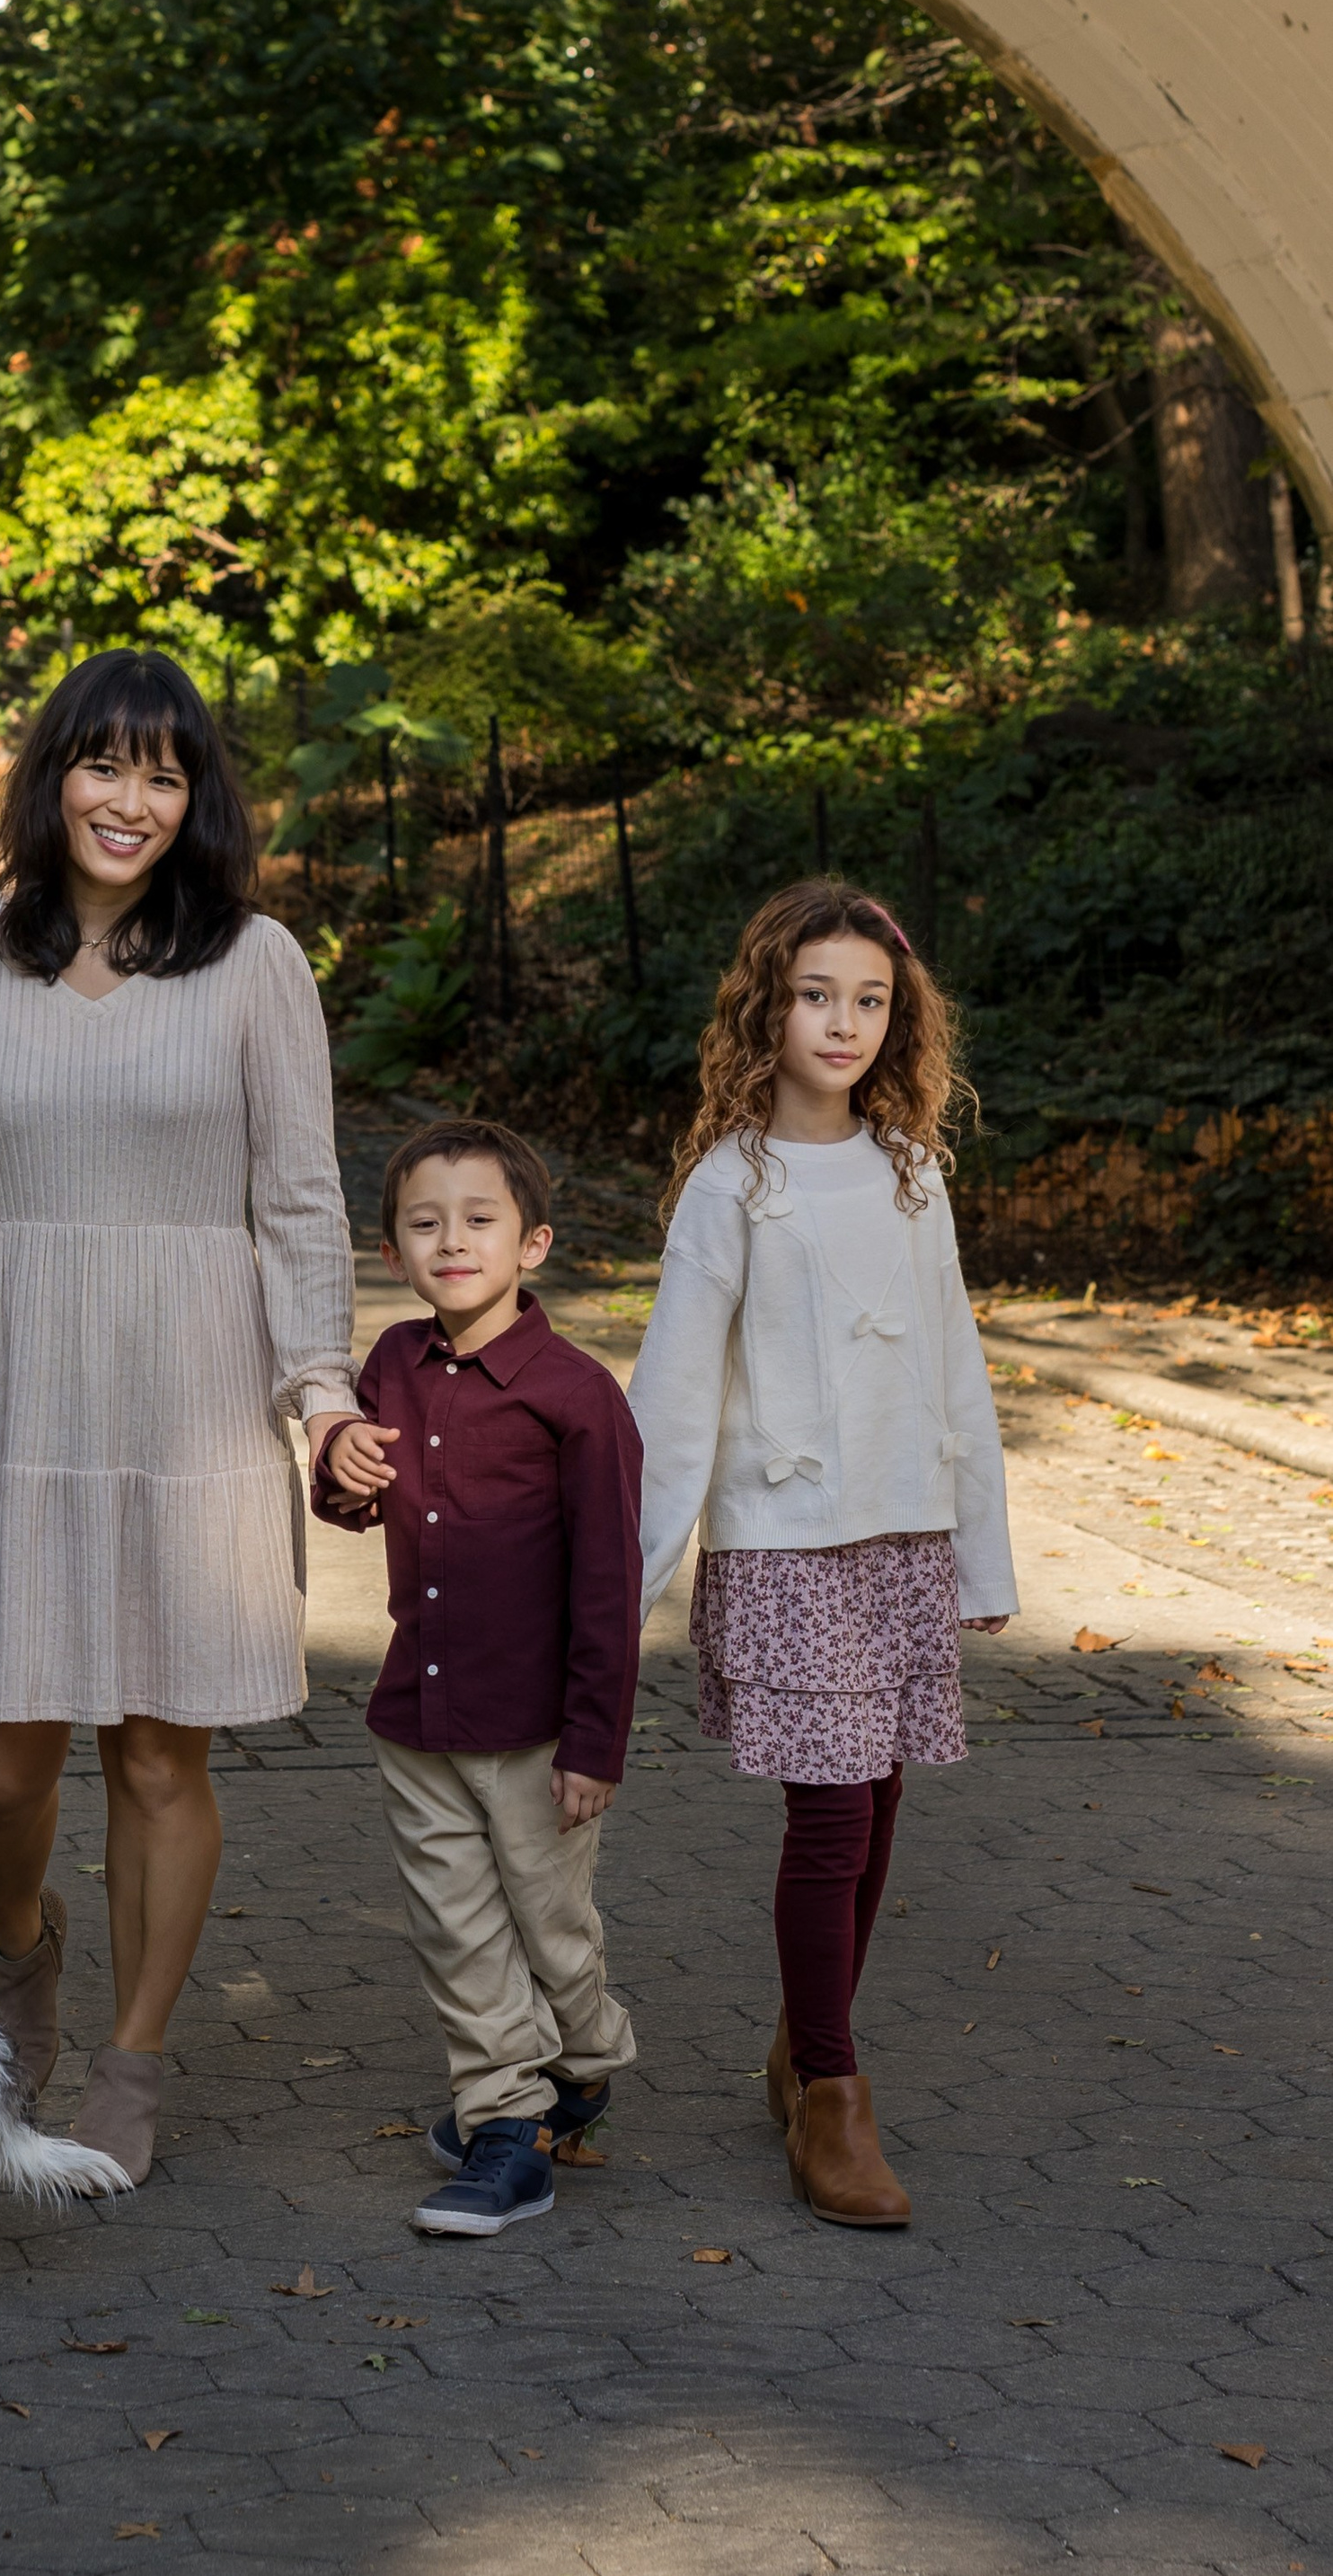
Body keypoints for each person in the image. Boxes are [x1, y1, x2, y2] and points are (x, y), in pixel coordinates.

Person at [0, 648, 355, 2184]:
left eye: (166, 773)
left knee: (159, 1762)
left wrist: (321, 1395)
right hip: (15, 1380)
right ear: (53, 776)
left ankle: (133, 2053)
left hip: (193, 1392)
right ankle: (23, 1945)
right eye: (106, 764)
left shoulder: (257, 963)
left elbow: (301, 1196)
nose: (133, 799)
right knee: (0, 1766)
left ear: (200, 800)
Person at [626, 878, 1016, 2229]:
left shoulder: (915, 1175)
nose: (843, 1024)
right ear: (766, 1008)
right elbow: (674, 1392)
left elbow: (958, 1370)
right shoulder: (733, 1186)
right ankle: (835, 2096)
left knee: (884, 1808)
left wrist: (982, 1556)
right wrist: (620, 1590)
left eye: (870, 1001)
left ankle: (804, 2036)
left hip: (901, 1535)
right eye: (815, 996)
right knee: (833, 1813)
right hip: (789, 1545)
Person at [313, 1120, 643, 2238]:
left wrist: (597, 1743)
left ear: (533, 1243)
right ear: (395, 1251)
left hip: (538, 1730)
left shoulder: (577, 1395)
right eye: (423, 1223)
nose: (450, 1239)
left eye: (478, 1219)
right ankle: (508, 2125)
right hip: (419, 1714)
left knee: (550, 1926)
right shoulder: (389, 1365)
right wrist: (340, 1468)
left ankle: (584, 2060)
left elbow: (608, 1582)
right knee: (457, 1928)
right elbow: (357, 1499)